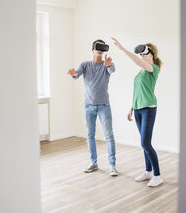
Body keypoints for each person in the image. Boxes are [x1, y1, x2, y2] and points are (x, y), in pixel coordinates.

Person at [112, 37, 163, 187]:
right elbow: (138, 91)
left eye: (144, 53)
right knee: (144, 143)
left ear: (152, 54)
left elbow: (137, 61)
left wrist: (122, 49)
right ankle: (148, 172)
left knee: (145, 143)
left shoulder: (153, 68)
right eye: (140, 54)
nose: (142, 56)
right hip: (138, 109)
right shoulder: (141, 71)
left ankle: (158, 175)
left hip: (149, 109)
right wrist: (131, 107)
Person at [67, 39, 118, 176]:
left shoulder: (107, 64)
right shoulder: (85, 65)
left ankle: (112, 165)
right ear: (93, 49)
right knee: (90, 136)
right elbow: (76, 75)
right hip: (88, 106)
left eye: (102, 47)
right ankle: (93, 162)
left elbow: (112, 70)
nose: (100, 49)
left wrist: (108, 65)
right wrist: (73, 74)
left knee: (109, 135)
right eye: (97, 47)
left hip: (104, 106)